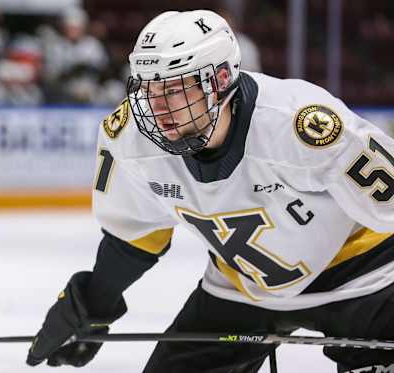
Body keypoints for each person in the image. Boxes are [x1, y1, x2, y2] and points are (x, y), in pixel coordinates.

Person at [26, 10, 394, 373]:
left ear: (218, 80)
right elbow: (134, 235)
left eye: (172, 89)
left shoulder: (302, 125)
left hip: (363, 279)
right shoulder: (129, 139)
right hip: (242, 288)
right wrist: (93, 304)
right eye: (149, 88)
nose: (157, 108)